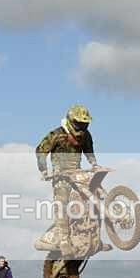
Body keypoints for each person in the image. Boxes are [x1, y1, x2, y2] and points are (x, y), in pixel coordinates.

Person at [35, 104, 99, 252]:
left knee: (92, 192)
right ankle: (64, 240)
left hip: (76, 171)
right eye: (79, 123)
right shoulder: (57, 135)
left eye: (84, 123)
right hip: (60, 174)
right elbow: (40, 151)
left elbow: (89, 150)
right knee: (61, 202)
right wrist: (44, 171)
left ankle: (95, 235)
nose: (82, 127)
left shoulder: (85, 135)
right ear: (71, 121)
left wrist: (94, 164)